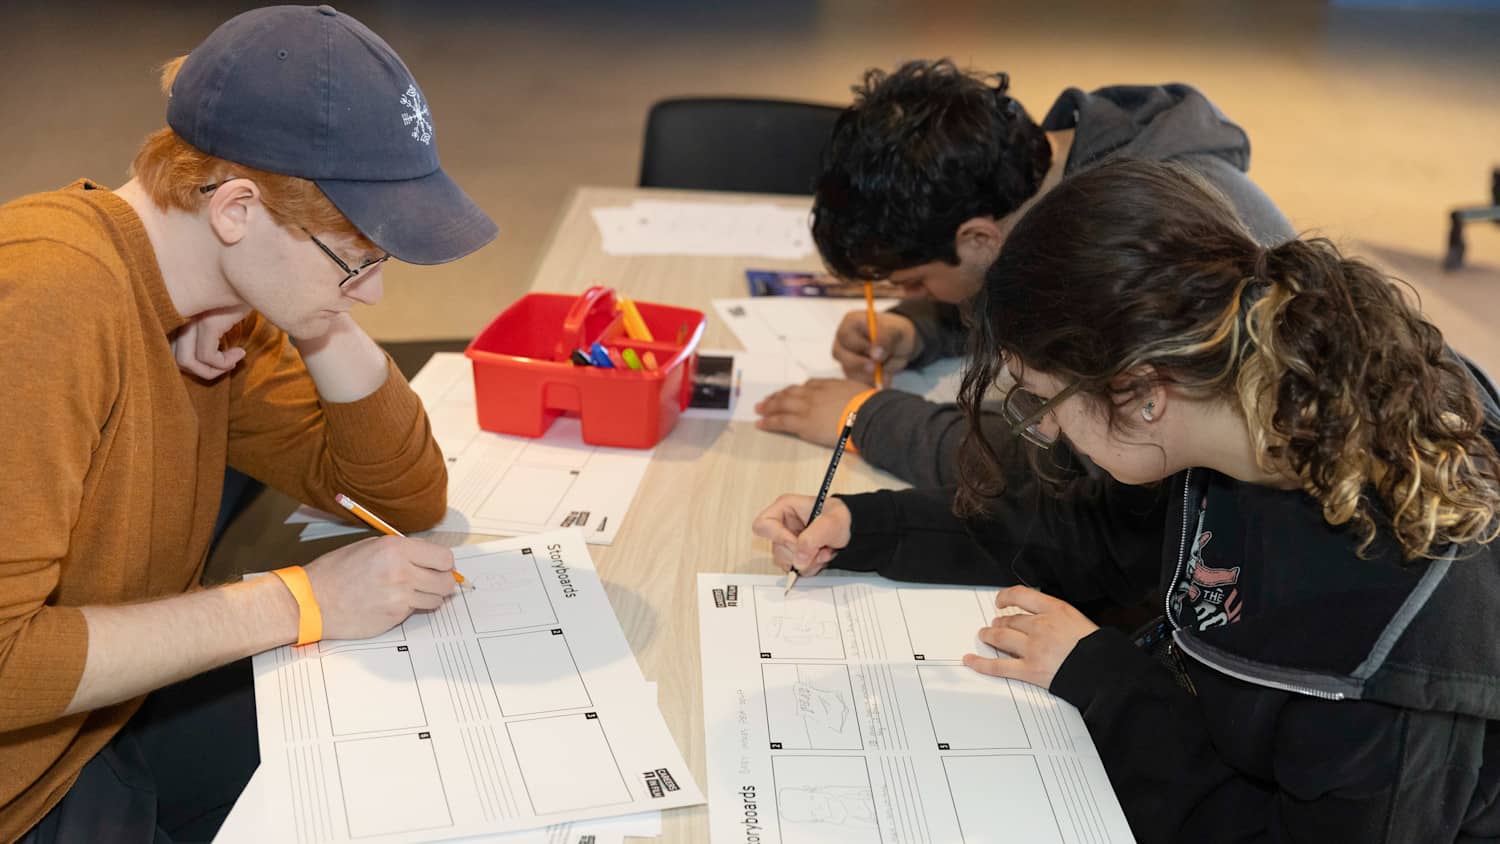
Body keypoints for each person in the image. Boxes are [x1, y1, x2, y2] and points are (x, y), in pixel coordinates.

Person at [754, 159, 1500, 840]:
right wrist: (869, 528)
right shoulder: (1237, 404)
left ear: (1142, 391)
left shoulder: (1391, 643)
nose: (1043, 428)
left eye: (1042, 399)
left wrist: (1105, 684)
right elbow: (1093, 535)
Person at [0, 6, 498, 841]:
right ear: (235, 209)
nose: (374, 293)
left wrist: (316, 315)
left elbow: (403, 497)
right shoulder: (48, 304)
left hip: (104, 721)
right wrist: (297, 600)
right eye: (359, 259)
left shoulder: (215, 298)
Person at [754, 59, 1292, 488]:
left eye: (916, 282)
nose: (918, 293)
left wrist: (870, 419)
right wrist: (921, 325)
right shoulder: (1059, 167)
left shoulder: (1138, 237)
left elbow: (1070, 469)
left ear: (979, 238)